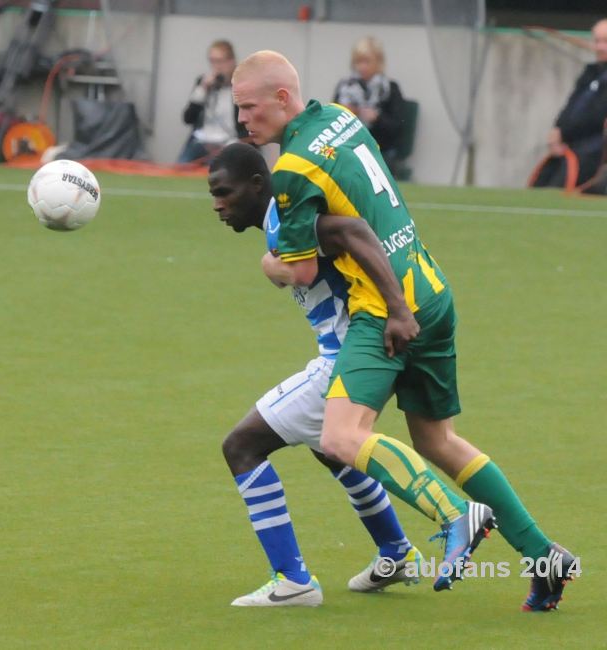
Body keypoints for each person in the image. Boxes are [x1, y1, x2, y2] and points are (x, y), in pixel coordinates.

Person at [232, 49, 577, 610]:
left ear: (281, 97)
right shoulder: (340, 118)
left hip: (385, 312)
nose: (243, 121)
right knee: (438, 440)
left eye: (248, 107)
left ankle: (457, 516)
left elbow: (297, 270)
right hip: (431, 289)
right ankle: (544, 556)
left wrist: (268, 262)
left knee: (339, 438)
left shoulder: (293, 170)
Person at [207, 142, 422, 607]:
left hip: (345, 359)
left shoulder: (289, 218)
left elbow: (352, 234)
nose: (218, 204)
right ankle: (396, 552)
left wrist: (276, 267)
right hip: (344, 354)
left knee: (241, 446)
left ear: (258, 185)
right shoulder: (277, 220)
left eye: (224, 192)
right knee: (331, 449)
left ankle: (293, 581)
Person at [530, 19, 607, 189]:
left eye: (606, 41)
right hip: (570, 148)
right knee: (542, 184)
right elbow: (572, 106)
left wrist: (566, 134)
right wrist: (558, 130)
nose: (600, 47)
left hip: (595, 152)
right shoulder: (591, 72)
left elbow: (596, 115)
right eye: (597, 41)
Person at [331, 36, 406, 174]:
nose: (362, 67)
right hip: (348, 149)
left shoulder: (389, 89)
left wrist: (377, 118)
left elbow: (398, 127)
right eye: (358, 62)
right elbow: (330, 123)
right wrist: (344, 113)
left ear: (379, 62)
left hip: (381, 150)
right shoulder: (344, 87)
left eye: (367, 61)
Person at [177, 40, 248, 164]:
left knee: (219, 170)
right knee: (182, 166)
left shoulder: (242, 85)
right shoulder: (203, 83)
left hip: (229, 141)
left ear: (231, 62)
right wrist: (203, 90)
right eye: (212, 61)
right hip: (203, 141)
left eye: (220, 61)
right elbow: (188, 118)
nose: (217, 66)